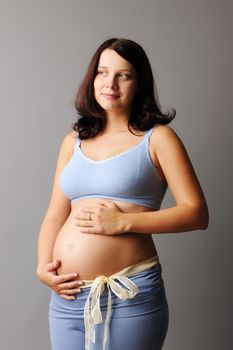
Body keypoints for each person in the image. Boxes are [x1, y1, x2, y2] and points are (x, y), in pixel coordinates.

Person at [36, 37, 209, 350]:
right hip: (68, 296)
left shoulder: (158, 139)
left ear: (139, 82)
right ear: (92, 79)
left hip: (130, 293)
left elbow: (196, 213)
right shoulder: (72, 142)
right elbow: (55, 213)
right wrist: (43, 266)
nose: (110, 83)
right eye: (102, 73)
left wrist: (123, 223)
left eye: (123, 75)